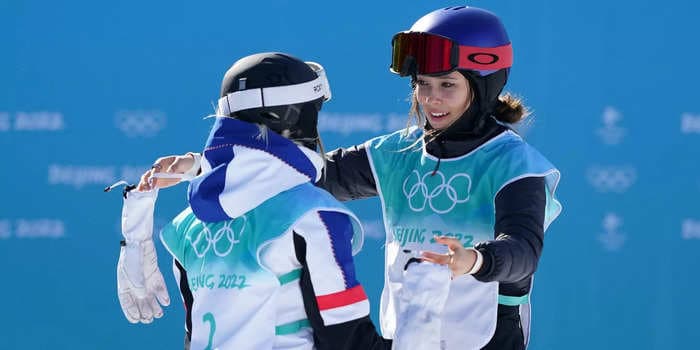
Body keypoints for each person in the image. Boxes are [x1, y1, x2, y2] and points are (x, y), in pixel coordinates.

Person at [140, 7, 562, 350]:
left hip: (487, 337)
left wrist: (473, 260)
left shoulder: (515, 164)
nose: (431, 98)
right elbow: (304, 172)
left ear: (485, 84)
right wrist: (204, 165)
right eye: (422, 84)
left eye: (447, 85)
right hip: (410, 333)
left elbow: (524, 250)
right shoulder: (396, 153)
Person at [122, 52, 410, 350]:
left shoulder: (189, 223)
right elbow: (346, 340)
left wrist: (200, 164)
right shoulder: (314, 216)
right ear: (297, 118)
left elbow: (194, 335)